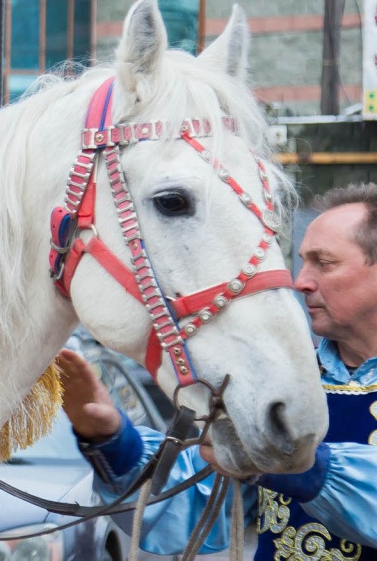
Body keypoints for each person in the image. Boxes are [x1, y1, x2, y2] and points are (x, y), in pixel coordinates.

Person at [60, 182, 377, 559]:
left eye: (324, 263)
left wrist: (296, 465)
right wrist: (111, 438)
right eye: (304, 261)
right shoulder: (287, 381)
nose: (300, 281)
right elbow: (187, 511)